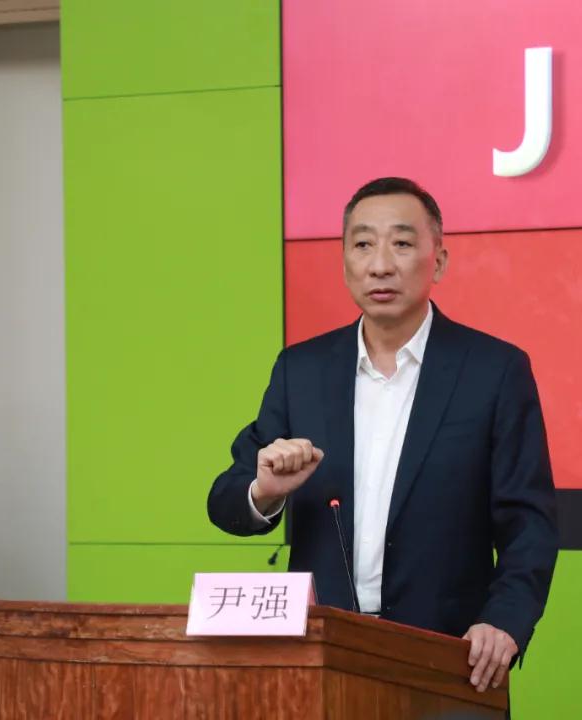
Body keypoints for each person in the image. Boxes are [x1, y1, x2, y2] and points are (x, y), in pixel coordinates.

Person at [207, 177, 558, 693]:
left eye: (402, 243)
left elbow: (529, 522)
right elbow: (226, 502)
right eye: (363, 244)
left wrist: (503, 621)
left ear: (438, 261)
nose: (380, 265)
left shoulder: (494, 371)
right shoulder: (301, 370)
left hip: (449, 659)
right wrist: (265, 492)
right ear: (345, 261)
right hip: (320, 661)